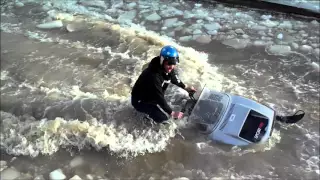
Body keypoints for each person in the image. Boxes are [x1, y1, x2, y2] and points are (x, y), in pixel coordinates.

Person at [131, 45, 196, 123]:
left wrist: (186, 88)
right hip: (140, 101)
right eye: (169, 64)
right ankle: (145, 121)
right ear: (162, 61)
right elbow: (159, 98)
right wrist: (172, 113)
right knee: (164, 120)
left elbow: (174, 79)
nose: (171, 67)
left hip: (151, 96)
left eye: (174, 63)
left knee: (163, 108)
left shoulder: (167, 68)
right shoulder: (153, 76)